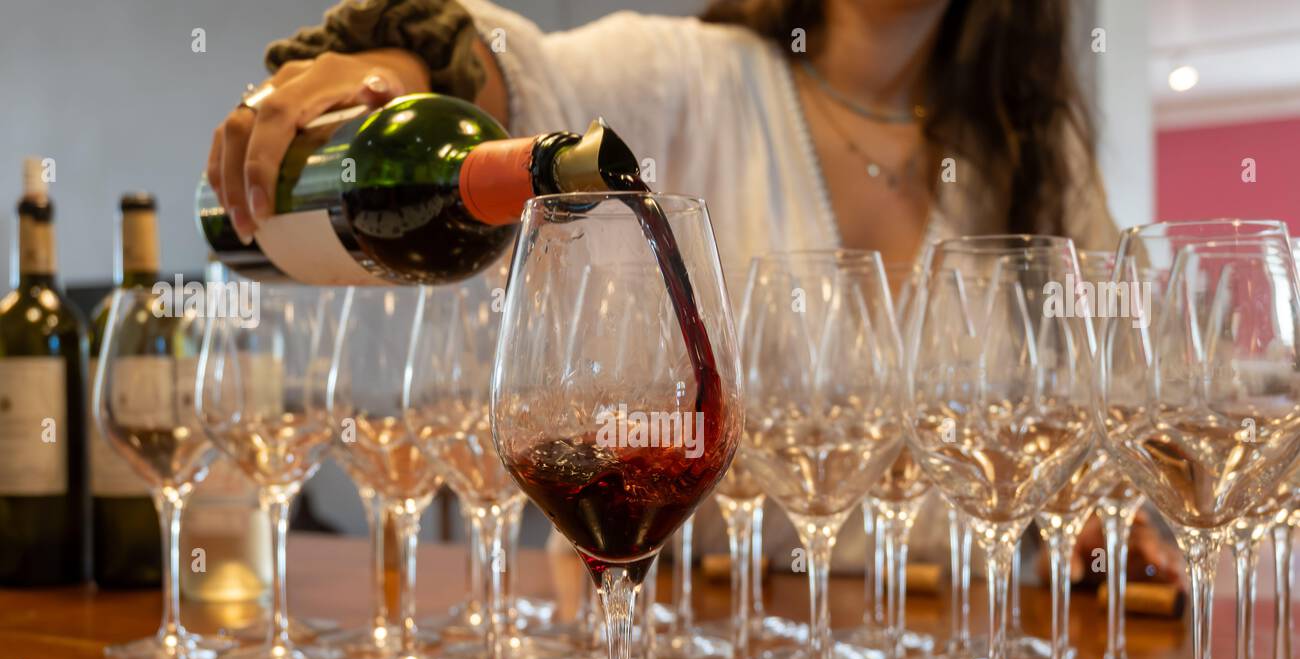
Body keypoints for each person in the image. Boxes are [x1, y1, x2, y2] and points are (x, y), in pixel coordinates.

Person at [206, 0, 1181, 585]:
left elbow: (1105, 405)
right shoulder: (684, 76)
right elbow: (503, 82)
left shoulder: (1034, 156)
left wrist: (1108, 513)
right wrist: (394, 69)